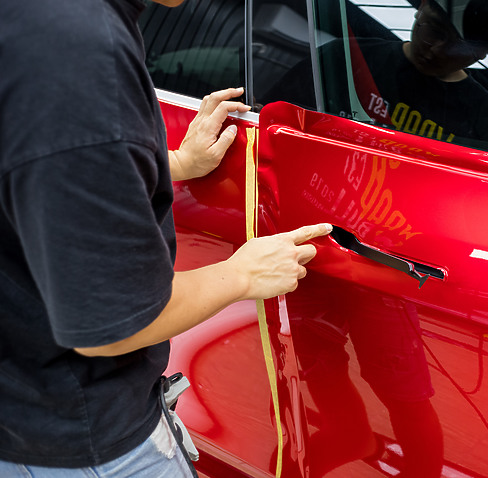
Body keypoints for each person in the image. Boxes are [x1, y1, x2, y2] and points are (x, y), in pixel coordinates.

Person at [0, 0, 330, 476]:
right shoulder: (79, 55)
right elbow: (114, 323)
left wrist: (171, 163)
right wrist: (241, 273)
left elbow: (41, 163)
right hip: (79, 437)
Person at [271, 0, 488, 149]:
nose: (436, 50)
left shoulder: (483, 115)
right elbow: (273, 122)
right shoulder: (346, 58)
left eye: (456, 48)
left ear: (482, 55)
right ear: (423, 6)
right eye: (434, 30)